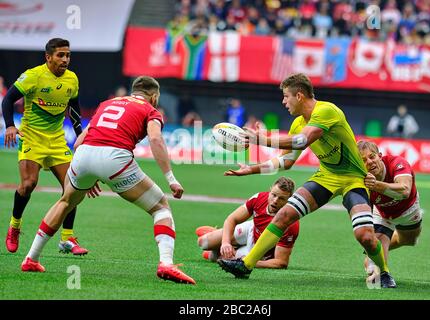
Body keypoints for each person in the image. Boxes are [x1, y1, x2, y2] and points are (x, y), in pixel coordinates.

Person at [218, 73, 396, 288]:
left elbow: (303, 141)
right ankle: (245, 265)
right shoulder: (298, 123)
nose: (284, 102)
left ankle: (384, 272)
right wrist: (251, 170)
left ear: (299, 95)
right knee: (284, 215)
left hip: (354, 180)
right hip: (327, 177)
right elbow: (287, 161)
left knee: (365, 236)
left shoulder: (326, 110)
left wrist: (260, 138)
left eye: (286, 96)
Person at [20, 76, 196, 285]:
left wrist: (91, 173)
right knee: (160, 207)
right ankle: (166, 264)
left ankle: (31, 258)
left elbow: (78, 142)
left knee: (65, 201)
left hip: (84, 155)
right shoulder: (151, 110)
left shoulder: (108, 103)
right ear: (154, 96)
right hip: (115, 157)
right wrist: (171, 178)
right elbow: (156, 139)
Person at [1, 38, 88, 255]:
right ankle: (14, 226)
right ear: (48, 57)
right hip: (32, 138)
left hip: (57, 140)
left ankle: (67, 239)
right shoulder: (33, 75)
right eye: (60, 55)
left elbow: (75, 111)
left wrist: (81, 140)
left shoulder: (72, 79)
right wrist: (10, 126)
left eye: (68, 55)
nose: (65, 59)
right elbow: (7, 100)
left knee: (73, 188)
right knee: (29, 184)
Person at [196, 177, 299, 269]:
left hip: (259, 251)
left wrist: (249, 261)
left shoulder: (290, 223)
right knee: (202, 242)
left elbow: (281, 262)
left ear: (289, 200)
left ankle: (218, 245)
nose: (275, 200)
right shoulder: (259, 198)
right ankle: (221, 235)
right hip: (251, 228)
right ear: (270, 189)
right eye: (274, 195)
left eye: (281, 198)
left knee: (219, 258)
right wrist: (225, 242)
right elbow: (232, 219)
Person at [357, 140, 422, 284]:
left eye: (372, 156)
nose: (370, 162)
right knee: (376, 266)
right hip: (382, 214)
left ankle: (376, 247)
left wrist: (376, 185)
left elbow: (405, 190)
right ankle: (376, 255)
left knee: (408, 240)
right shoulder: (360, 179)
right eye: (363, 160)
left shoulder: (397, 163)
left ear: (380, 156)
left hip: (408, 210)